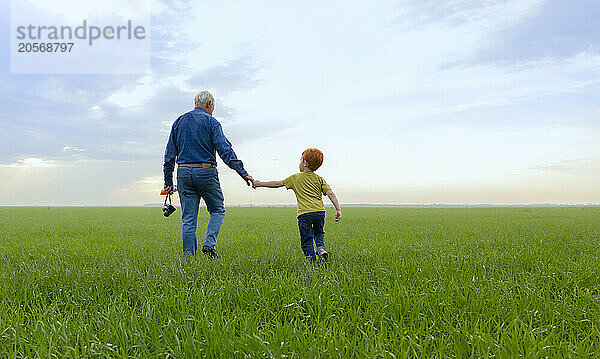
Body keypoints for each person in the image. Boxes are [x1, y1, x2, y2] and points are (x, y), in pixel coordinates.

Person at [163, 91, 254, 259]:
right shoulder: (212, 122)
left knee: (188, 219)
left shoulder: (179, 122)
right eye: (213, 107)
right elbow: (225, 150)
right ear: (209, 105)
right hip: (205, 171)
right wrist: (243, 173)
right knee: (217, 209)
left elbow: (169, 154)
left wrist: (168, 181)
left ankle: (190, 261)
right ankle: (209, 244)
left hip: (183, 172)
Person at [252, 148, 341, 261]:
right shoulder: (319, 179)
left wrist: (260, 184)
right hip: (320, 212)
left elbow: (278, 183)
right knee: (319, 232)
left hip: (304, 214)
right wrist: (338, 210)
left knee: (306, 240)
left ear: (305, 163)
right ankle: (321, 248)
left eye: (300, 160)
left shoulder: (295, 178)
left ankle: (312, 263)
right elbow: (330, 193)